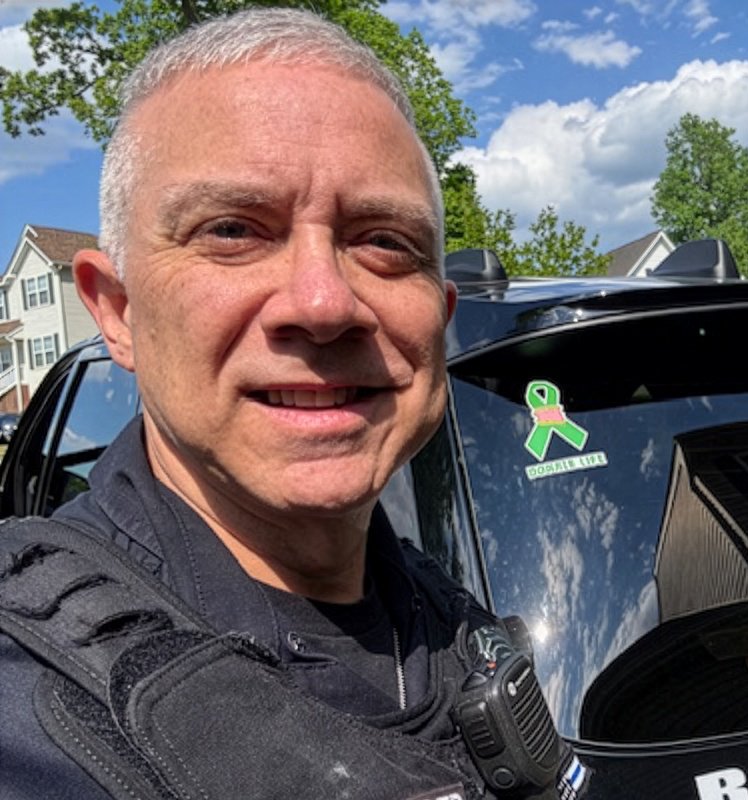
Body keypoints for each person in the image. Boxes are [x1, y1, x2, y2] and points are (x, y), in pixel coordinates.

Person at [0, 9, 577, 799]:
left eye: (384, 241)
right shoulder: (28, 714)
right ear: (118, 312)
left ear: (438, 323)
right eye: (233, 230)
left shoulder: (454, 623)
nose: (324, 302)